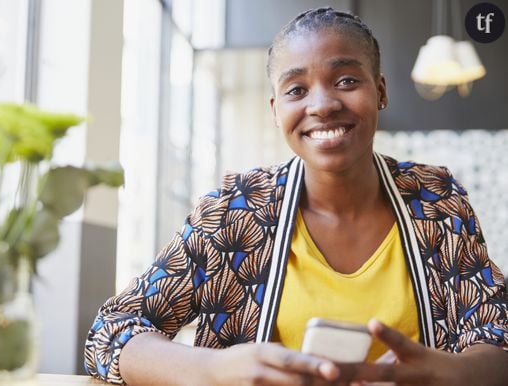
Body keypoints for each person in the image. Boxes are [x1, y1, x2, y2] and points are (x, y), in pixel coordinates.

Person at [84, 7, 508, 385]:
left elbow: (497, 337)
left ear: (380, 91)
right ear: (275, 110)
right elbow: (112, 331)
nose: (322, 104)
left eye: (345, 80)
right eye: (296, 90)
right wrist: (211, 370)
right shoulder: (234, 212)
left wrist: (451, 372)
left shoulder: (436, 201)